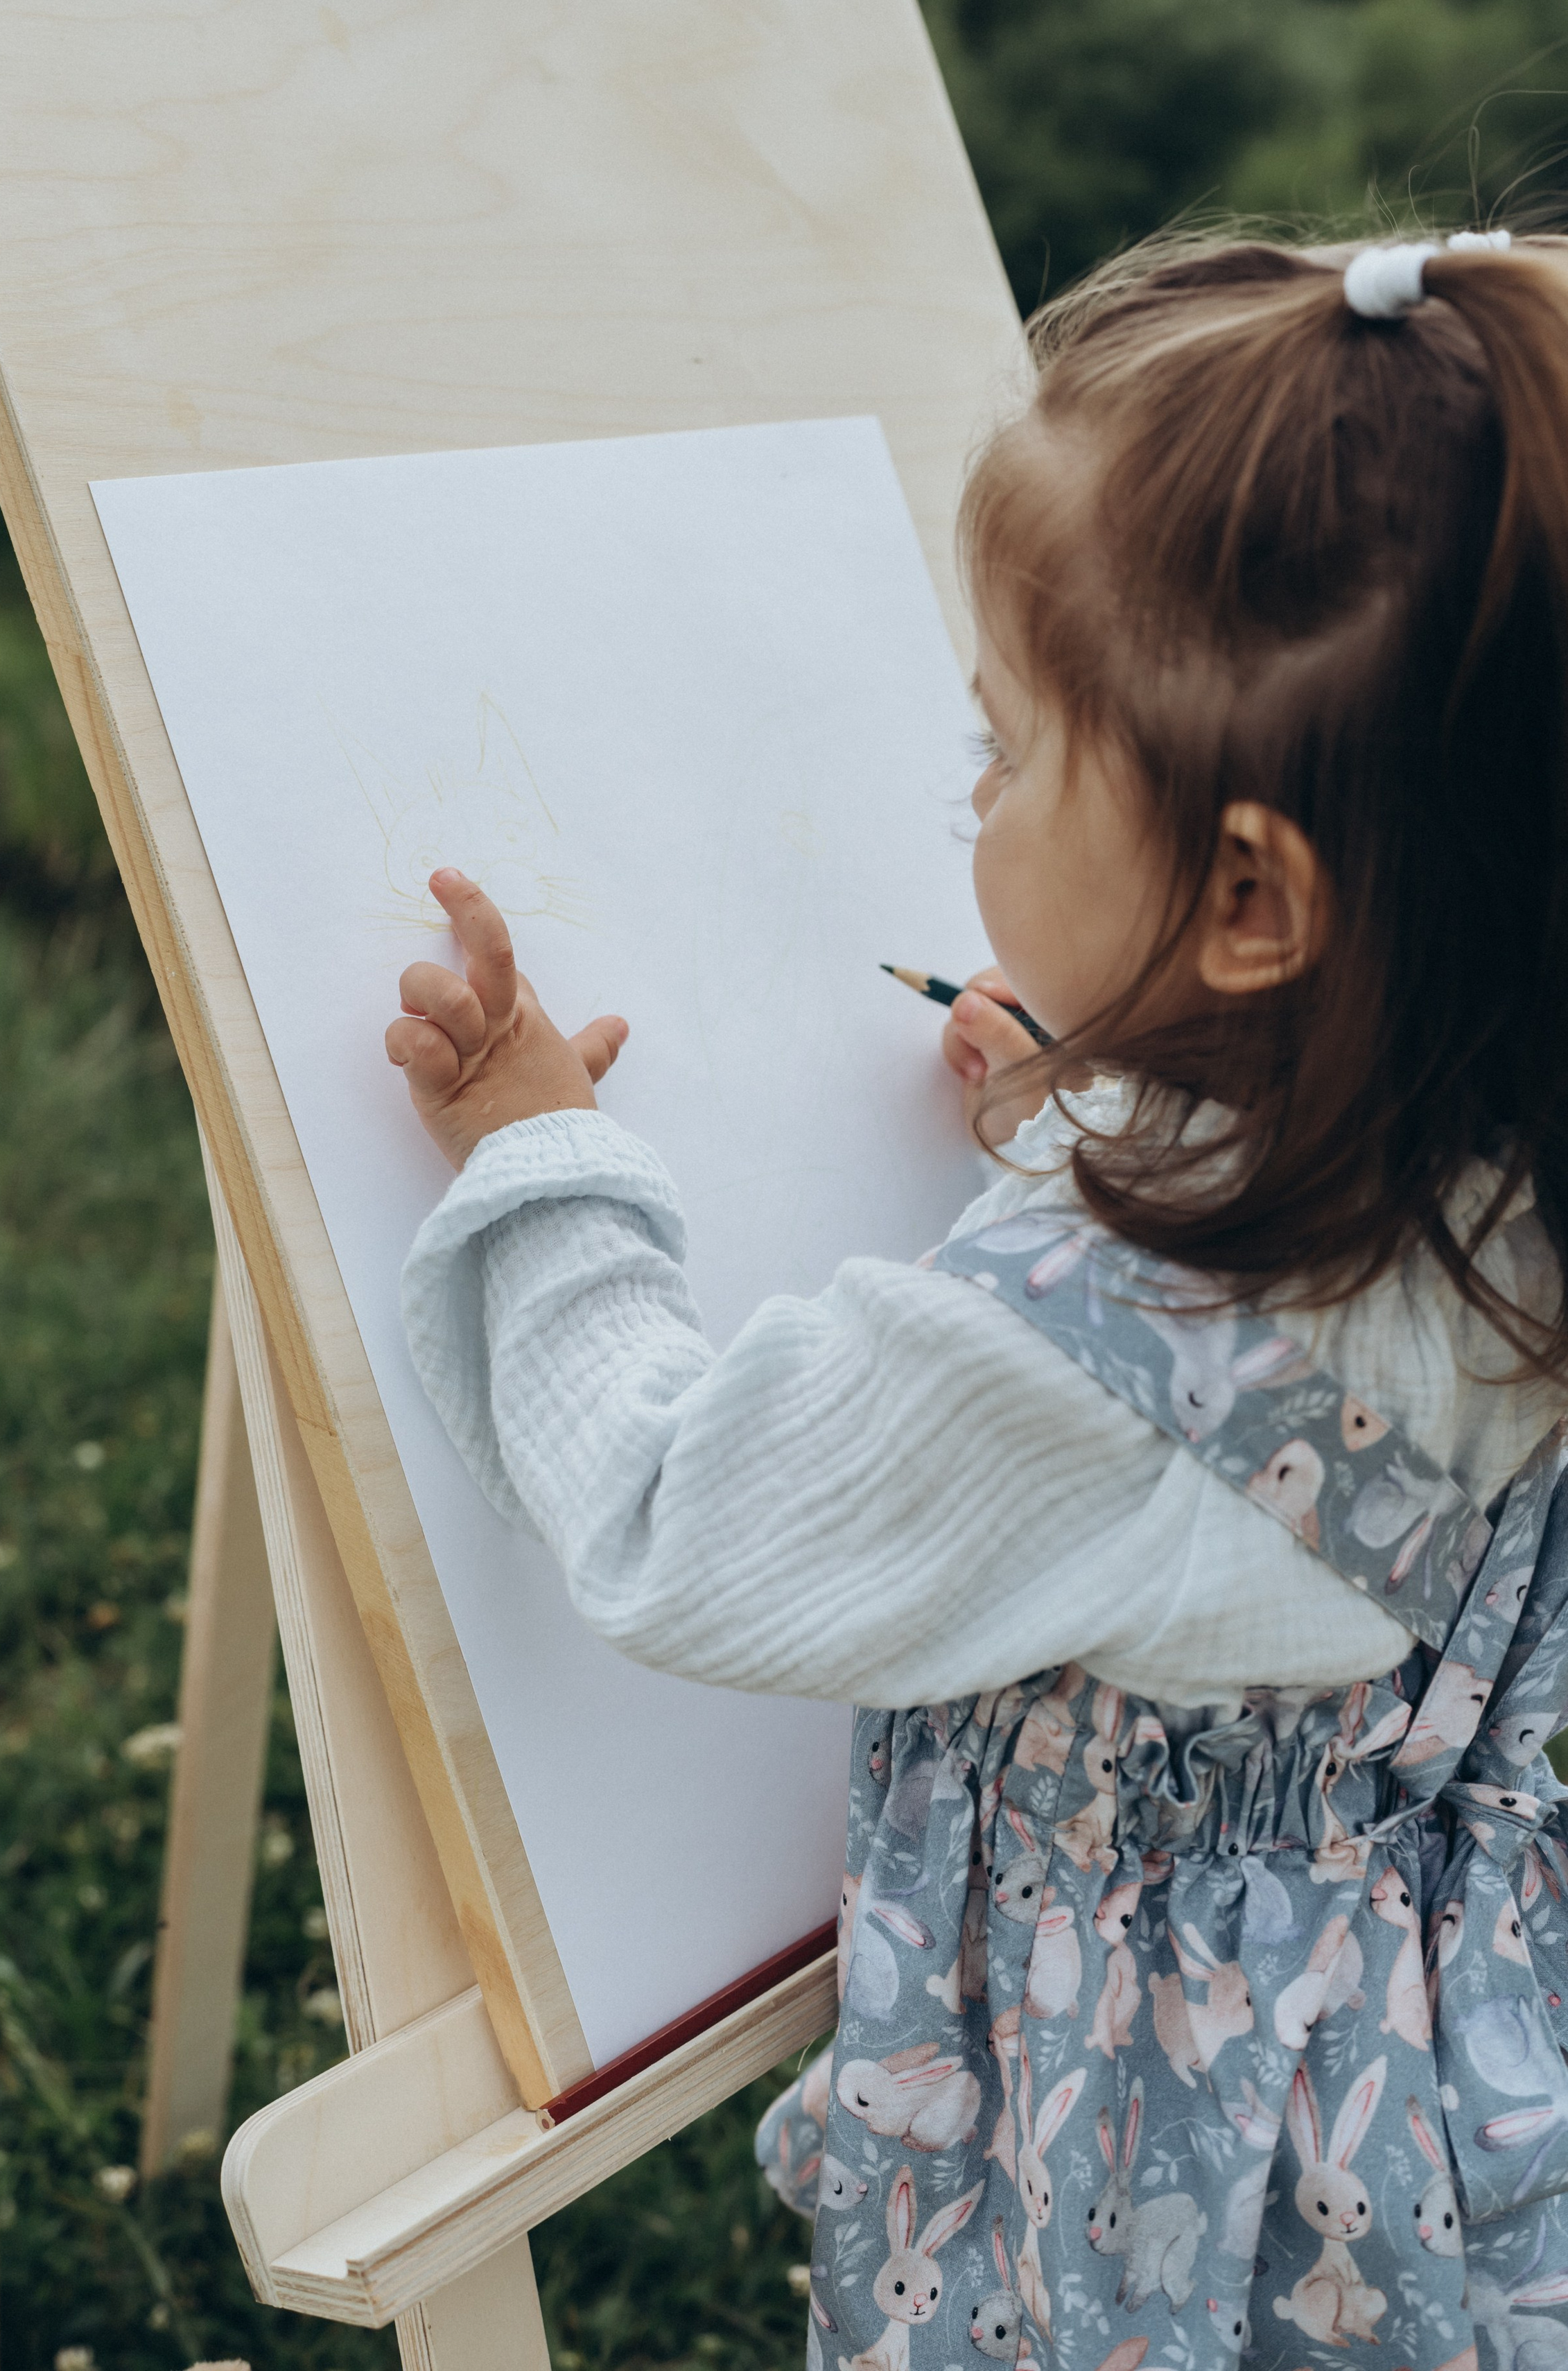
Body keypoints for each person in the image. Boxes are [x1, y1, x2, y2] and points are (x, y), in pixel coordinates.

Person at [387, 231, 1568, 2371]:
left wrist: (536, 1161)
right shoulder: (1493, 1171)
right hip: (1431, 2098)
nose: (967, 803)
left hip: (1162, 2177)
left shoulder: (1072, 1344)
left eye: (1005, 752)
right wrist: (1130, 1097)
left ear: (1246, 901)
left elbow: (682, 1511)